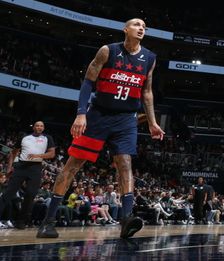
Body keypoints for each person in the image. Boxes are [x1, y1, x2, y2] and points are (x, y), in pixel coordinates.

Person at [37, 18, 165, 240]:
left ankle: (126, 218)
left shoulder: (149, 58)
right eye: (136, 24)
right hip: (98, 115)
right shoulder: (108, 51)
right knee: (73, 165)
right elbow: (88, 82)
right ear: (126, 29)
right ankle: (47, 221)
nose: (141, 28)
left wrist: (153, 122)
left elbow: (147, 92)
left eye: (144, 26)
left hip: (126, 118)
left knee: (125, 163)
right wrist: (80, 113)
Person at [0, 121, 55, 229]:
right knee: (8, 193)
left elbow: (52, 154)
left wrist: (38, 155)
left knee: (30, 195)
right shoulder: (25, 137)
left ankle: (21, 221)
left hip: (35, 168)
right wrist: (9, 167)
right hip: (20, 167)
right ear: (33, 127)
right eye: (37, 125)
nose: (39, 127)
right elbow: (14, 152)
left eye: (41, 126)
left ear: (43, 128)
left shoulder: (47, 138)